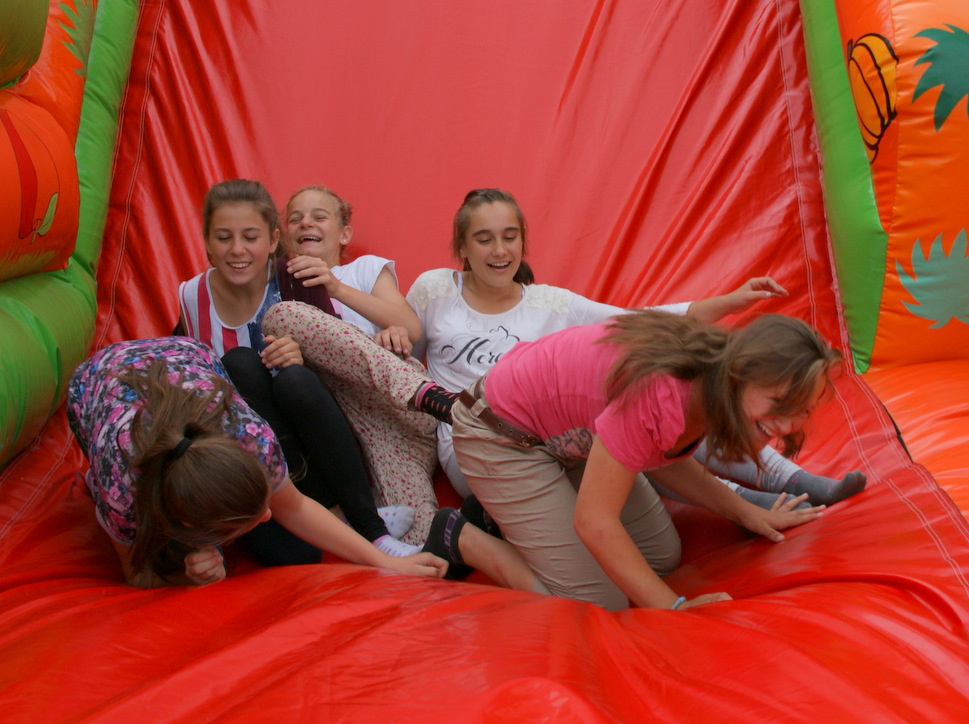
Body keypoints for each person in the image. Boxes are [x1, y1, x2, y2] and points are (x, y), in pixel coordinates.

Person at [400, 188, 865, 509]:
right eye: (484, 239)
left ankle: (791, 480)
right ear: (463, 248)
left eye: (510, 237)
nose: (499, 251)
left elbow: (639, 322)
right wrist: (390, 335)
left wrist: (729, 301)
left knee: (674, 404)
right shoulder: (434, 291)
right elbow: (404, 356)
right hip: (475, 440)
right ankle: (745, 501)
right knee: (640, 425)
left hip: (555, 430)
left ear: (523, 242)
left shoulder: (551, 303)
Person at [446, 312, 834, 610]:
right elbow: (593, 521)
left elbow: (661, 450)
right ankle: (466, 537)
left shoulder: (711, 376)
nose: (787, 424)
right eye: (778, 402)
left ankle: (508, 513)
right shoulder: (661, 390)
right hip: (500, 436)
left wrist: (747, 513)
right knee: (601, 601)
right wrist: (674, 607)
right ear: (741, 373)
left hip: (570, 439)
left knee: (661, 555)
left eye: (801, 409)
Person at [66, 336, 447, 588]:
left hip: (185, 358)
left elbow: (293, 506)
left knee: (292, 551)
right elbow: (138, 573)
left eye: (261, 504)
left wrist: (385, 561)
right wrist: (185, 575)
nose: (268, 515)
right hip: (96, 380)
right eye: (249, 518)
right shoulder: (121, 490)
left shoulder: (248, 435)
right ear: (190, 523)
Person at [176, 179, 424, 561]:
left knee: (293, 378)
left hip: (322, 439)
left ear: (273, 240)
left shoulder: (299, 278)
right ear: (207, 243)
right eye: (224, 238)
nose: (237, 249)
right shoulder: (192, 296)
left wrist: (303, 356)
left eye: (250, 237)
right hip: (253, 457)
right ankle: (331, 518)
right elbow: (182, 377)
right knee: (238, 364)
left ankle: (367, 524)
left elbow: (336, 359)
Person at [265, 185, 455, 543]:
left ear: (344, 234)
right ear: (283, 236)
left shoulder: (362, 270)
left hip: (402, 408)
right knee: (416, 540)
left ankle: (422, 392)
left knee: (282, 316)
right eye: (295, 218)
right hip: (355, 432)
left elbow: (412, 327)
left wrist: (336, 288)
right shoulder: (274, 285)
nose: (306, 223)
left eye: (319, 216)